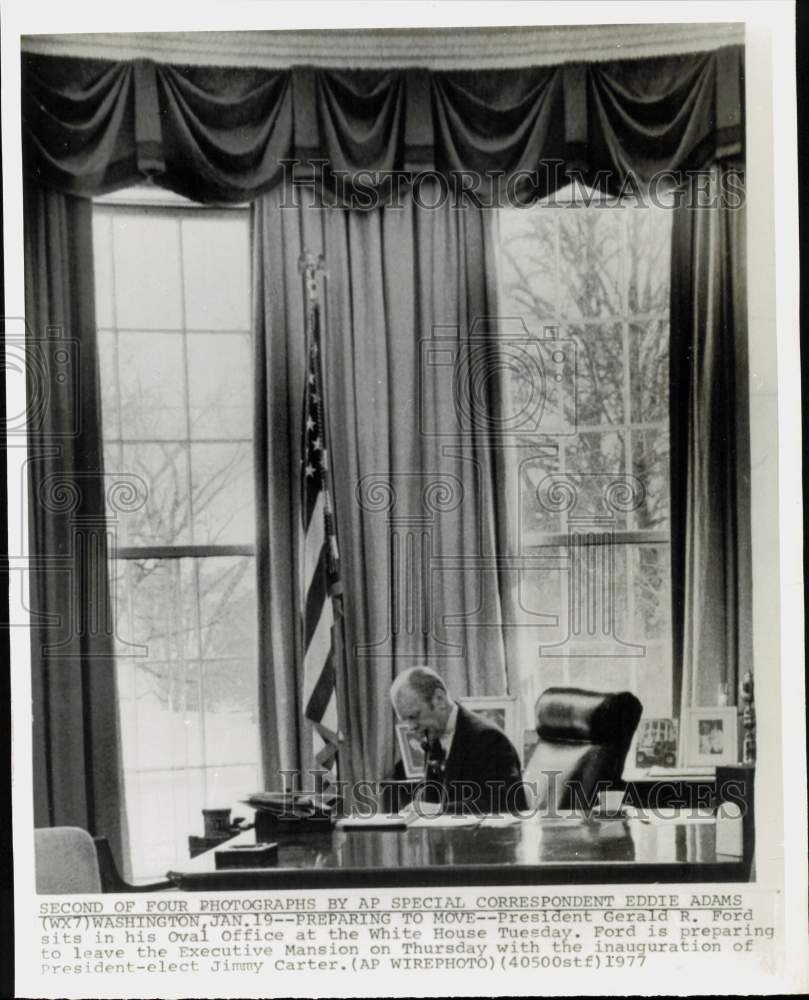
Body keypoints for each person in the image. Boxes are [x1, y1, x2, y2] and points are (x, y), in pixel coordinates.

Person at [390, 666, 527, 814]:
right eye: (406, 720)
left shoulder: (489, 739)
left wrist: (440, 810)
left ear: (439, 699)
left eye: (414, 716)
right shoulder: (433, 736)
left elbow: (509, 805)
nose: (410, 727)